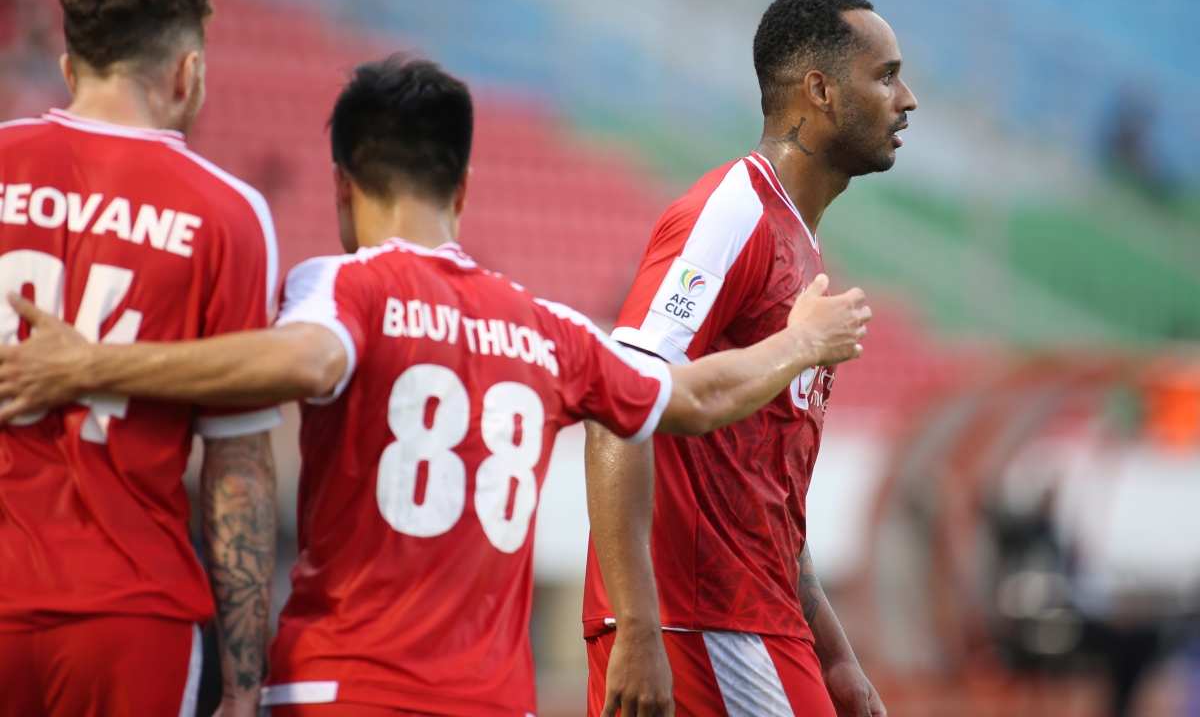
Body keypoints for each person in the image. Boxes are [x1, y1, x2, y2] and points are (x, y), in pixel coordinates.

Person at [0, 55, 871, 717]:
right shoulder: (547, 328)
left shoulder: (339, 287)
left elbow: (303, 360)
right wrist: (796, 346)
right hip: (489, 697)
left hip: (337, 683)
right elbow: (685, 399)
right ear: (463, 185)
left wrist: (90, 364)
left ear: (342, 188)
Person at [584, 0, 917, 717]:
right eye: (887, 76)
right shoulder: (731, 210)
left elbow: (767, 501)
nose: (909, 99)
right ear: (821, 91)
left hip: (753, 624)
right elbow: (618, 402)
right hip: (698, 625)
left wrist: (837, 658)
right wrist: (638, 627)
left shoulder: (797, 242)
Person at [0, 0, 280, 717]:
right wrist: (244, 687)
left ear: (68, 68)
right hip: (130, 614)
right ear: (186, 73)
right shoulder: (228, 214)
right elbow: (240, 464)